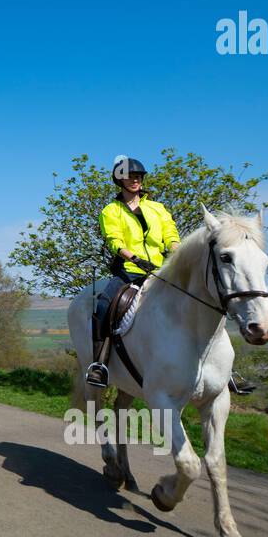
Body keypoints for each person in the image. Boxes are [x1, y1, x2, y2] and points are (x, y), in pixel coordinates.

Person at [85, 157, 180, 387]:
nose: (136, 179)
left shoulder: (157, 208)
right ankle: (100, 364)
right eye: (130, 176)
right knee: (104, 305)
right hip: (128, 271)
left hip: (160, 271)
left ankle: (225, 371)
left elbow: (171, 235)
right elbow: (114, 240)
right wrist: (135, 258)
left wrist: (178, 253)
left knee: (201, 297)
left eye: (139, 176)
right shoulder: (111, 211)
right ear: (120, 180)